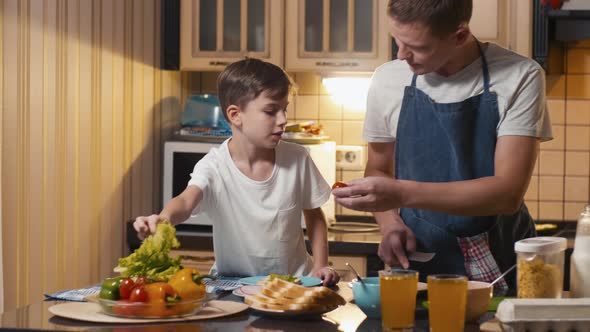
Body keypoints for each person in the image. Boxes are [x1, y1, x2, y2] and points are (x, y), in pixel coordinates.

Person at [332, 0, 551, 294]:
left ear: (459, 35)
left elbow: (507, 194)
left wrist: (400, 193)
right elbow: (379, 167)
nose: (402, 55)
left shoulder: (520, 76)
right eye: (397, 41)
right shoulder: (388, 79)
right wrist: (390, 223)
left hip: (499, 260)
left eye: (417, 47)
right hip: (418, 259)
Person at [134, 58, 340, 286]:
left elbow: (315, 216)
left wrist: (320, 266)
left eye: (285, 109)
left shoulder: (297, 158)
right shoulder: (214, 165)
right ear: (235, 115)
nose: (283, 120)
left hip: (294, 284)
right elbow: (185, 201)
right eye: (271, 111)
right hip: (233, 286)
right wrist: (162, 219)